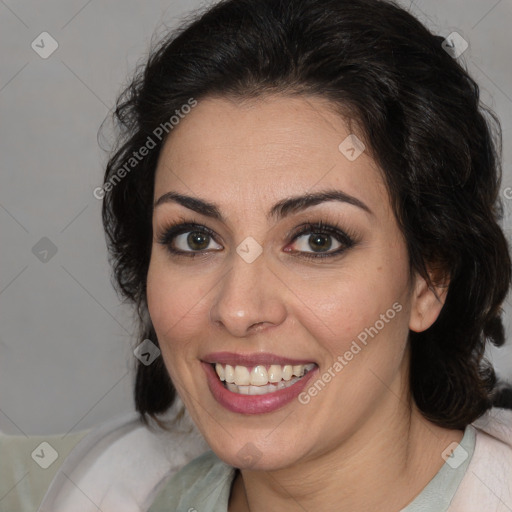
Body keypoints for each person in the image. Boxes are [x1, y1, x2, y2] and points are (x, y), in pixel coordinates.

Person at [95, 0, 512, 510]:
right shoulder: (95, 491)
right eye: (195, 238)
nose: (238, 309)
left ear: (429, 280)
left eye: (318, 240)